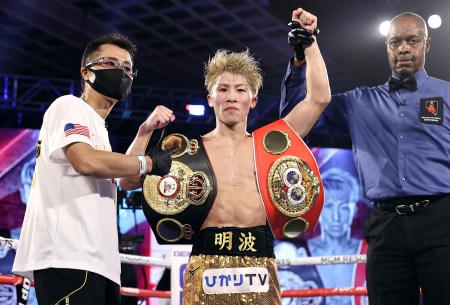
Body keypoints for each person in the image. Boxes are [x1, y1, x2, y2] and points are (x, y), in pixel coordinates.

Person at [280, 11, 450, 305]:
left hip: (442, 223)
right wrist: (299, 60)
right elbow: (294, 120)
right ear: (387, 47)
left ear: (427, 44)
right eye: (396, 42)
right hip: (386, 228)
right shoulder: (359, 102)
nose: (404, 49)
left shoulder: (447, 94)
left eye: (413, 41)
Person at [173, 8, 330, 305]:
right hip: (205, 260)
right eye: (223, 89)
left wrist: (309, 41)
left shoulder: (270, 143)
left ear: (252, 99)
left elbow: (319, 98)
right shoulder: (190, 149)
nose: (231, 96)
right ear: (211, 98)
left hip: (257, 259)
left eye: (240, 89)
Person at [12, 33, 175, 305]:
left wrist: (144, 132)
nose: (121, 72)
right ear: (86, 72)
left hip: (100, 263)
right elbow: (86, 161)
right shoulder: (68, 106)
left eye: (127, 68)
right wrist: (147, 162)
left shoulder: (97, 128)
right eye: (111, 63)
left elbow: (124, 179)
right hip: (68, 257)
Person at [308, 167, 361, 305]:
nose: (336, 217)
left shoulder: (366, 251)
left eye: (343, 207)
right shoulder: (303, 252)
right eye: (329, 207)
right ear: (318, 210)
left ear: (354, 211)